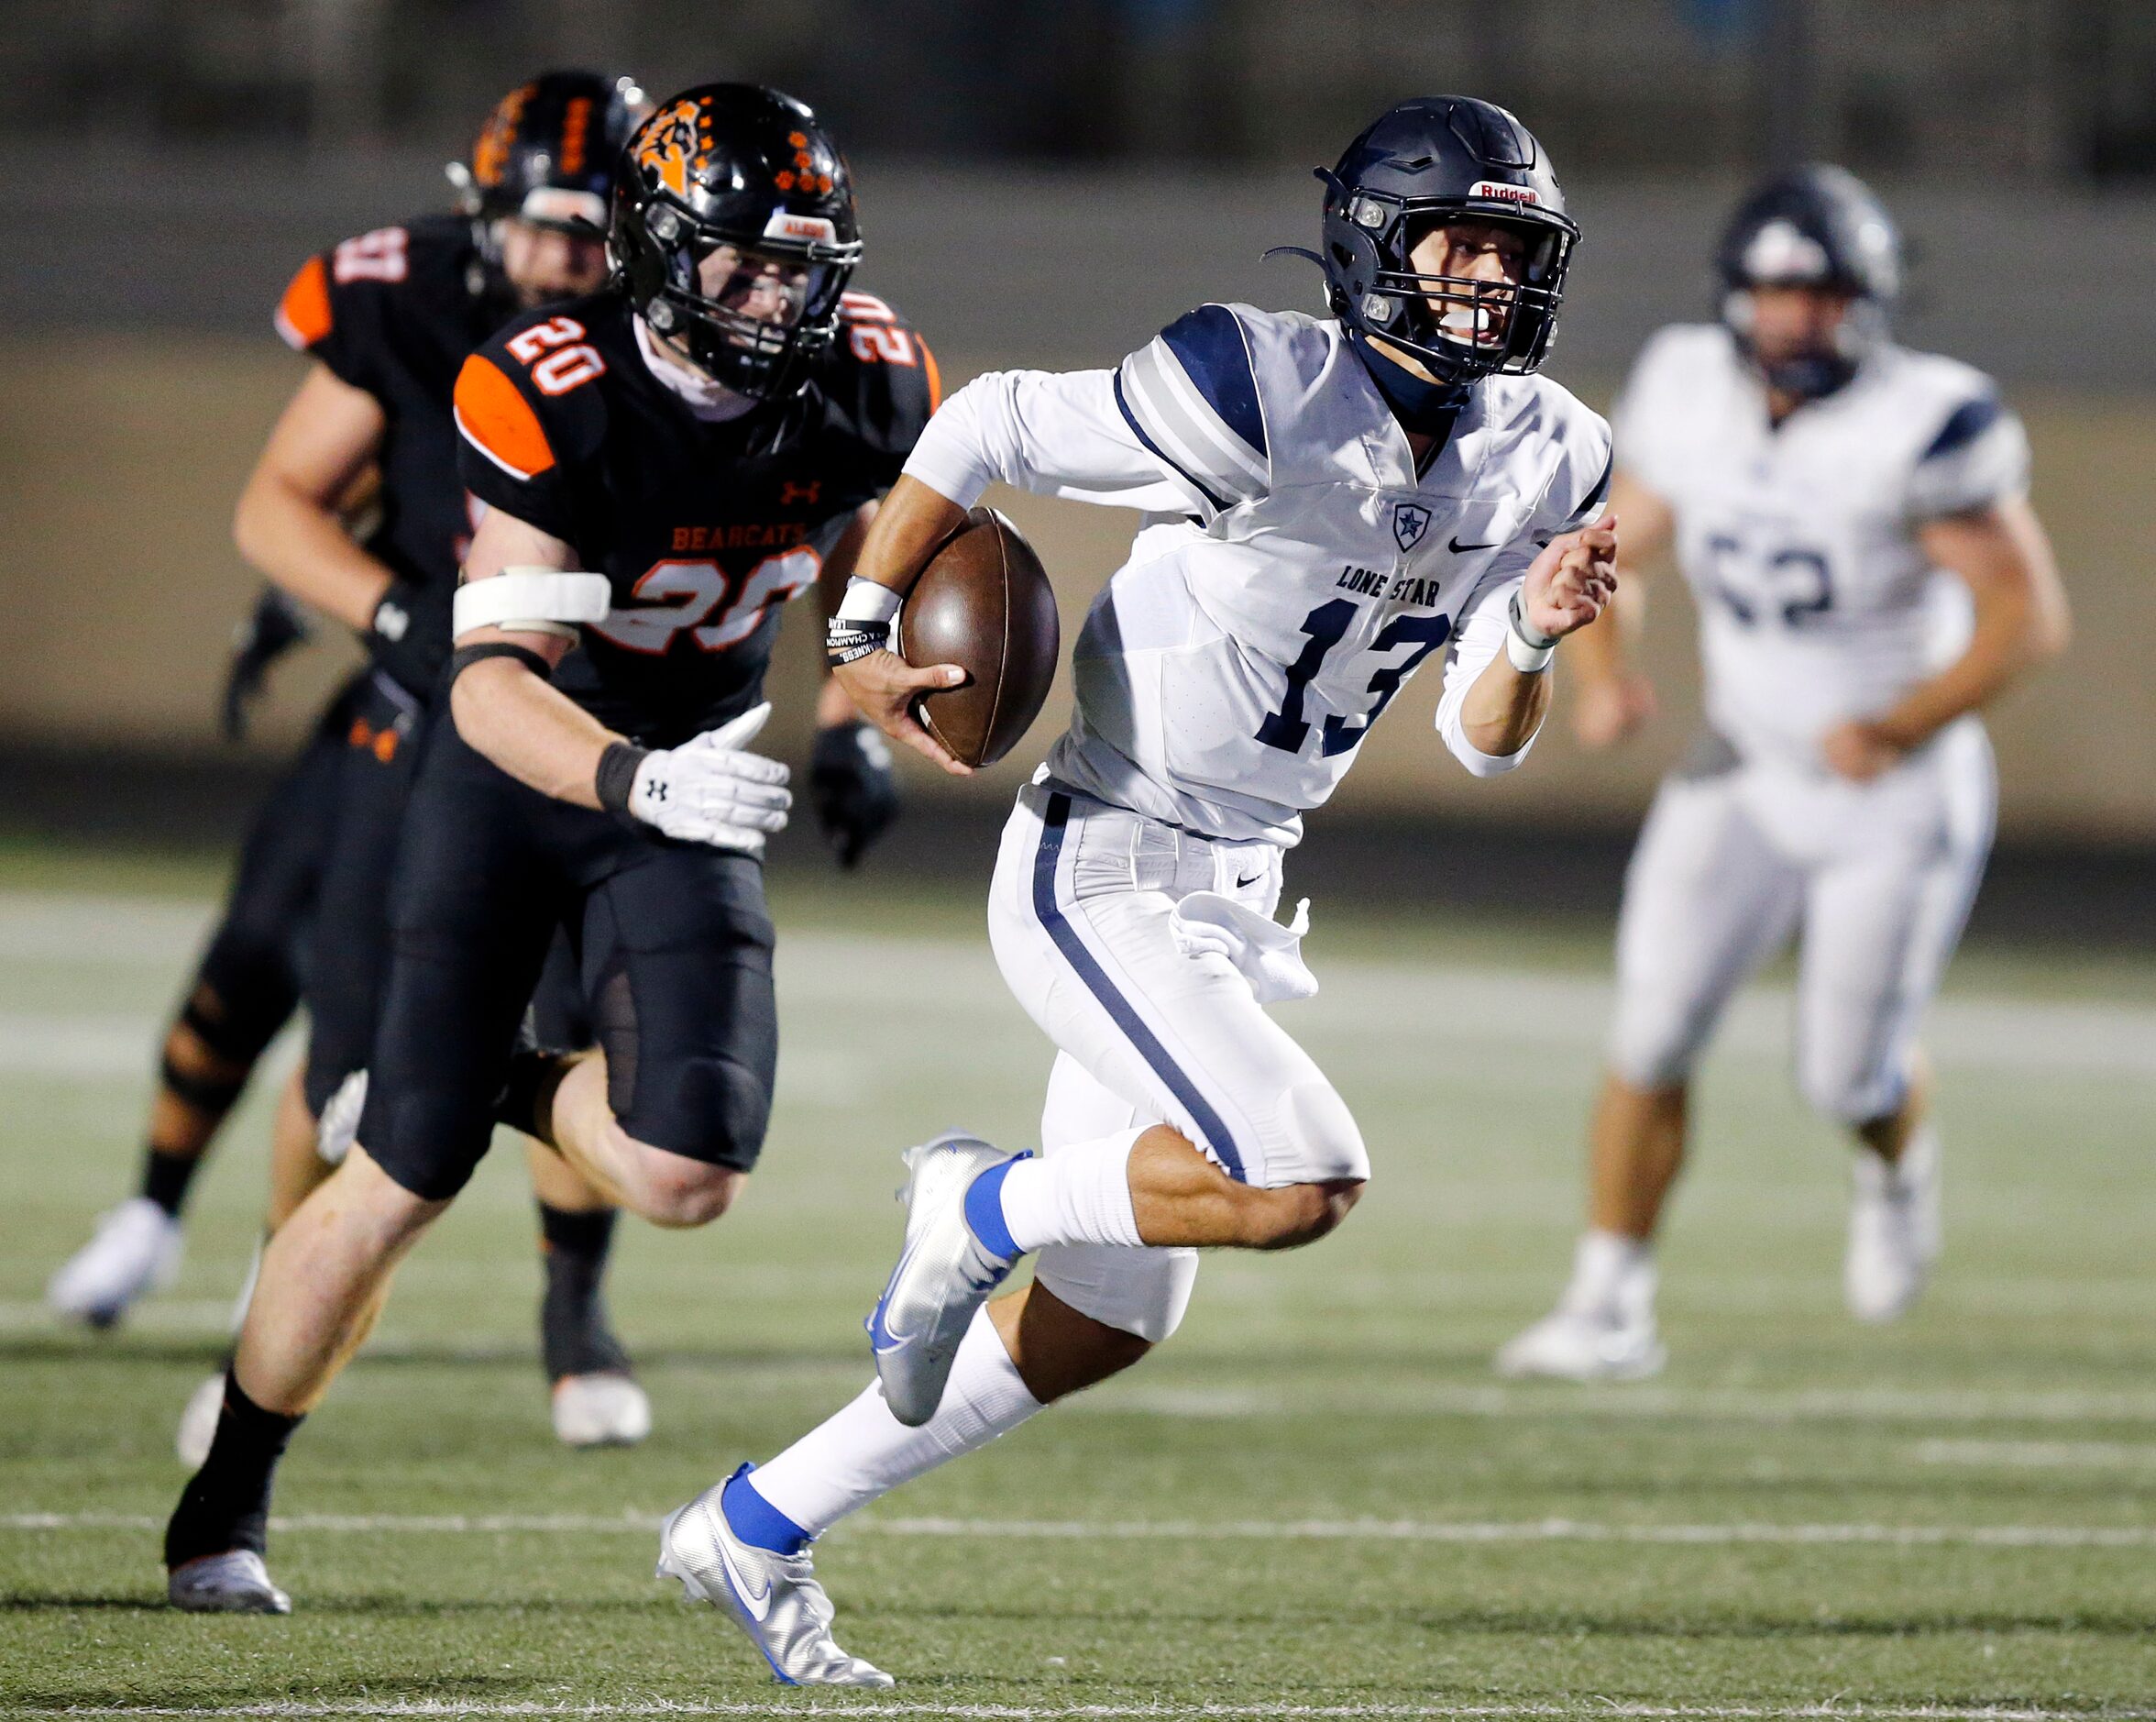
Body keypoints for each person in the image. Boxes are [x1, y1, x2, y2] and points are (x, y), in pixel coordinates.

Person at [650, 94, 1619, 1688]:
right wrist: (859, 631)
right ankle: (975, 1199)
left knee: (1106, 1318)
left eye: (1516, 251)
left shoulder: (1554, 447)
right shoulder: (1255, 382)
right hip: (1100, 853)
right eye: (1458, 244)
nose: (1490, 282)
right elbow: (981, 429)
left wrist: (1522, 636)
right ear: (1374, 244)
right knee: (1304, 1177)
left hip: (1237, 879)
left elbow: (1479, 739)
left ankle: (753, 1523)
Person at [161, 82, 933, 1616]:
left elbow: (863, 574)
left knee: (689, 1168)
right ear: (655, 252)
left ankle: (496, 1079)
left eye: (799, 262)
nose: (775, 295)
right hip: (526, 777)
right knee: (397, 1175)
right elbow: (490, 681)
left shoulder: (870, 376)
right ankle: (221, 1503)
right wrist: (633, 779)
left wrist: (855, 710)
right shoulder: (547, 382)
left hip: (691, 773)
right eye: (738, 262)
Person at [1494, 165, 2070, 1383]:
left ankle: (1896, 1160)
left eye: (1820, 296)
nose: (1796, 320)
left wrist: (1901, 724)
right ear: (1736, 298)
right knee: (1649, 1030)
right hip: (1744, 765)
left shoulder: (1929, 418)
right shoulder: (1689, 388)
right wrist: (1606, 675)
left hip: (1892, 790)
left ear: (1868, 301)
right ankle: (1609, 1303)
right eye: (1775, 294)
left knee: (1843, 1070)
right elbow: (1613, 547)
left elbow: (2027, 617)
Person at [187, 70, 653, 1460]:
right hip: (425, 713)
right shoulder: (405, 296)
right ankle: (268, 1311)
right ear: (482, 210)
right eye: (543, 224)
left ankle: (576, 1322)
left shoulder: (667, 335)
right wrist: (392, 611)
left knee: (592, 1037)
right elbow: (276, 503)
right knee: (341, 1064)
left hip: (587, 728)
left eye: (597, 228)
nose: (569, 257)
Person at [46, 589, 343, 1330]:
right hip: (395, 703)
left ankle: (293, 1259)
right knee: (246, 961)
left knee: (359, 1016)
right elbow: (308, 495)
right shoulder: (446, 463)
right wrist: (291, 594)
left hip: (518, 723)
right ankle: (152, 1211)